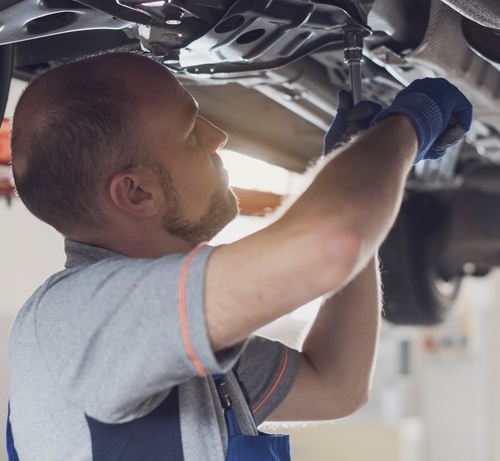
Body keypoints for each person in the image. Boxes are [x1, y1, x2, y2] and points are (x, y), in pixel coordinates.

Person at [6, 52, 472, 461]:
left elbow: (335, 383)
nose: (217, 137)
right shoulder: (78, 323)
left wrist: (354, 165)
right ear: (136, 191)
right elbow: (332, 246)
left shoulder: (154, 336)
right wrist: (406, 128)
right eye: (191, 132)